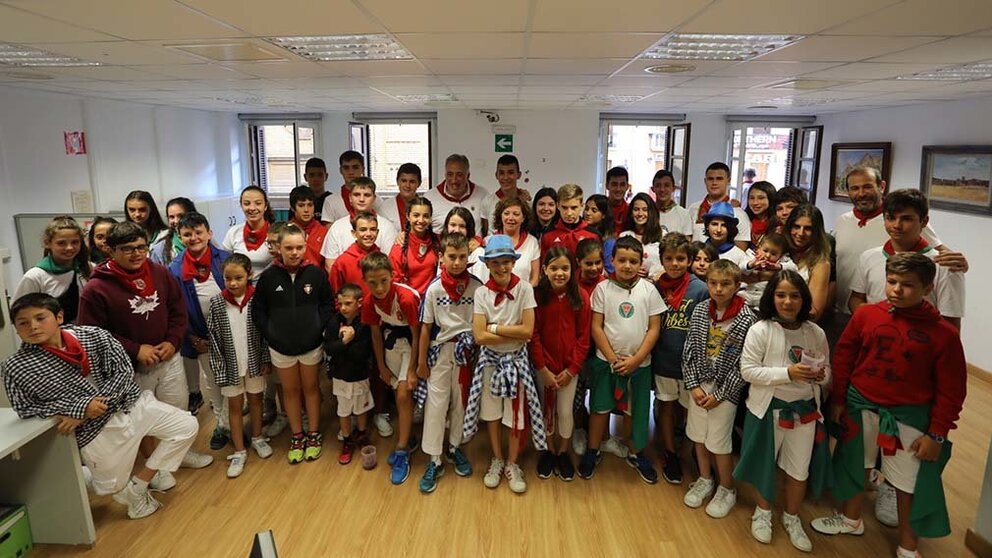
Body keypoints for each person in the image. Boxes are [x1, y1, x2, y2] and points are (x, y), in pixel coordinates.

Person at [811, 254, 967, 558]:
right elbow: (844, 357)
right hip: (860, 404)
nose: (896, 289)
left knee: (907, 483)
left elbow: (952, 390)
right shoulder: (866, 315)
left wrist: (937, 434)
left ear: (927, 287)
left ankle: (908, 546)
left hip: (908, 416)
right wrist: (839, 399)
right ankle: (850, 519)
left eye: (907, 285)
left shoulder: (943, 334)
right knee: (855, 464)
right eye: (892, 281)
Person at [3, 293, 198, 520]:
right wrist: (81, 409)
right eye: (23, 323)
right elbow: (25, 408)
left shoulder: (93, 335)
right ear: (16, 329)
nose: (33, 327)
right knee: (110, 487)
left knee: (186, 426)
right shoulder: (15, 368)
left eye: (40, 318)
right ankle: (86, 475)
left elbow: (124, 372)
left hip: (131, 404)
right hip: (94, 430)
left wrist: (94, 405)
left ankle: (138, 487)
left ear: (58, 317)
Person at [77, 221, 213, 482]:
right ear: (111, 250)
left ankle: (178, 455)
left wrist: (173, 341)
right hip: (131, 368)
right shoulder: (96, 289)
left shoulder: (160, 273)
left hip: (168, 358)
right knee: (145, 420)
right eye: (127, 249)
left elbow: (177, 309)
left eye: (141, 247)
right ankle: (155, 470)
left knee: (177, 411)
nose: (136, 254)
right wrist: (135, 349)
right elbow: (92, 335)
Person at [735, 270, 830, 551]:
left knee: (798, 469)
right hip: (767, 411)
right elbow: (748, 371)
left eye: (795, 295)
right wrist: (788, 372)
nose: (788, 302)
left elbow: (828, 374)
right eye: (781, 295)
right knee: (766, 464)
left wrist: (821, 376)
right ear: (771, 297)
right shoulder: (760, 329)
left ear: (804, 298)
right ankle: (763, 512)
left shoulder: (815, 332)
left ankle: (791, 516)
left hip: (804, 413)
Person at [463, 235, 547, 494]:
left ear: (513, 262)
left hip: (516, 362)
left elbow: (528, 331)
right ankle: (497, 459)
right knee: (492, 415)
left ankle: (513, 463)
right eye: (496, 262)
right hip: (489, 363)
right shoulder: (481, 293)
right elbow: (479, 336)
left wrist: (495, 327)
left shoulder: (524, 289)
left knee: (515, 416)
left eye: (507, 261)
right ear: (487, 264)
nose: (502, 267)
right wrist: (511, 331)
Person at [578, 235, 665, 483]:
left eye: (633, 261)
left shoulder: (649, 290)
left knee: (635, 412)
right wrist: (612, 358)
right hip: (606, 363)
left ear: (641, 263)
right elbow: (596, 327)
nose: (627, 266)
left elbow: (654, 329)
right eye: (622, 260)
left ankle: (636, 452)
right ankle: (592, 451)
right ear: (612, 261)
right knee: (598, 408)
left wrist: (636, 359)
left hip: (639, 365)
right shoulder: (602, 289)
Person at [833, 166, 962, 321]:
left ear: (881, 186)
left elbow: (941, 254)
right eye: (855, 188)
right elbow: (854, 296)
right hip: (848, 313)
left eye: (867, 186)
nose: (861, 193)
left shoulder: (907, 220)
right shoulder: (843, 222)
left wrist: (960, 264)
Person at [682, 259, 757, 519]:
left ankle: (727, 487)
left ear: (737, 285)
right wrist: (693, 384)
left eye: (726, 284)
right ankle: (705, 479)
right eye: (713, 283)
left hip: (725, 391)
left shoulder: (747, 318)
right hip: (700, 386)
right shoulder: (702, 310)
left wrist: (721, 394)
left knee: (719, 443)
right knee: (699, 437)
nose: (718, 289)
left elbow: (744, 365)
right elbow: (689, 349)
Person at [252, 223, 333, 464]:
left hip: (311, 344)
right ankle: (297, 435)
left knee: (310, 389)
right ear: (279, 248)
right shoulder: (268, 277)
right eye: (289, 248)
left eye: (299, 247)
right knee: (290, 391)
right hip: (281, 347)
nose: (295, 252)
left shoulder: (316, 274)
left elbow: (327, 304)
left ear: (306, 246)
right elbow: (259, 311)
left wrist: (319, 329)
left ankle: (314, 434)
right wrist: (272, 333)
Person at [416, 233, 482, 493]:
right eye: (451, 257)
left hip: (466, 354)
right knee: (436, 403)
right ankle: (434, 458)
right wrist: (421, 362)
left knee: (461, 402)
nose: (457, 262)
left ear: (469, 257)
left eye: (462, 257)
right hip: (440, 353)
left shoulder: (477, 287)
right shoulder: (434, 288)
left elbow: (481, 324)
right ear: (441, 257)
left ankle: (454, 447)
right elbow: (425, 328)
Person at [168, 212, 232, 451]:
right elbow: (175, 309)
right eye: (187, 234)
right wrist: (190, 336)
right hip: (200, 337)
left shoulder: (225, 259)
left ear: (209, 233)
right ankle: (223, 425)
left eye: (198, 232)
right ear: (179, 237)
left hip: (229, 332)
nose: (194, 237)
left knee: (233, 381)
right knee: (213, 381)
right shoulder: (174, 270)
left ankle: (231, 422)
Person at [206, 254, 273, 478]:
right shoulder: (217, 303)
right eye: (228, 278)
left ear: (249, 276)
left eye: (238, 278)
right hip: (230, 365)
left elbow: (264, 333)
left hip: (253, 361)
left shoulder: (257, 300)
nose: (233, 283)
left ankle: (257, 437)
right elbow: (214, 338)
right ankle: (238, 450)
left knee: (256, 400)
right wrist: (220, 368)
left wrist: (264, 358)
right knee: (234, 406)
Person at [361, 252, 422, 485]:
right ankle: (410, 438)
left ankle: (402, 448)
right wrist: (381, 367)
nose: (378, 288)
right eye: (372, 283)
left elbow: (418, 334)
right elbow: (375, 333)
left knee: (403, 395)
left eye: (383, 281)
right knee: (399, 395)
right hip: (391, 346)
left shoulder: (405, 298)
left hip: (412, 344)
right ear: (365, 281)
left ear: (392, 276)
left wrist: (413, 369)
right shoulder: (369, 302)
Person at [530, 246, 591, 482]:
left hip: (568, 370)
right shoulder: (538, 297)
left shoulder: (581, 297)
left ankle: (562, 452)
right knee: (545, 410)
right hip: (543, 368)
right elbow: (533, 335)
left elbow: (583, 338)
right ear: (544, 269)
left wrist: (572, 369)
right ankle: (547, 450)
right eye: (553, 268)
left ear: (573, 269)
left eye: (565, 268)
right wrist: (542, 368)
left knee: (565, 412)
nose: (559, 273)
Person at [652, 233, 709, 485]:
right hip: (663, 360)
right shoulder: (655, 288)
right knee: (665, 405)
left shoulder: (701, 289)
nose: (675, 264)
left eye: (681, 259)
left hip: (691, 365)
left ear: (689, 261)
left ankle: (692, 451)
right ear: (662, 260)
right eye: (669, 259)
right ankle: (670, 452)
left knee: (690, 411)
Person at [324, 284, 374, 466]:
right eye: (340, 304)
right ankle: (347, 439)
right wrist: (345, 341)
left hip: (360, 374)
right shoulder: (333, 322)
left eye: (348, 303)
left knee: (361, 408)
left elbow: (362, 352)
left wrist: (346, 345)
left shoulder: (365, 323)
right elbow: (329, 348)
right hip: (340, 375)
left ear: (359, 303)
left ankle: (361, 434)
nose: (343, 308)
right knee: (343, 410)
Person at [14, 215, 92, 324]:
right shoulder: (35, 276)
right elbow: (18, 313)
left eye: (75, 242)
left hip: (85, 335)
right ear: (47, 243)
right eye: (61, 243)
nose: (69, 247)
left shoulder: (89, 269)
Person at [321, 177, 398, 271]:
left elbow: (390, 263)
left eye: (367, 195)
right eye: (357, 195)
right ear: (350, 198)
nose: (361, 199)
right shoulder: (337, 227)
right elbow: (330, 264)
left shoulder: (387, 227)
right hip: (346, 284)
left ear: (374, 199)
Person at [474, 197, 540, 285]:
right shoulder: (488, 241)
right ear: (500, 216)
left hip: (522, 296)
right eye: (506, 213)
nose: (511, 218)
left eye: (516, 214)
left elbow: (534, 279)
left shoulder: (532, 242)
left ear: (523, 218)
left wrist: (523, 293)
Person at [784, 204, 832, 322]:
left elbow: (814, 312)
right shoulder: (779, 250)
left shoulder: (820, 263)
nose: (801, 233)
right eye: (796, 226)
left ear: (817, 232)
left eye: (808, 228)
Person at [688, 162, 751, 250]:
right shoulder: (693, 209)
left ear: (728, 181)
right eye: (710, 179)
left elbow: (740, 250)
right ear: (705, 181)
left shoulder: (738, 213)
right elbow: (688, 242)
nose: (714, 183)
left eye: (719, 179)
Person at [222, 186, 276, 280]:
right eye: (247, 204)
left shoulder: (275, 234)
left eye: (258, 203)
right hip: (240, 288)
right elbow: (226, 263)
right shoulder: (233, 233)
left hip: (269, 285)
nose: (252, 208)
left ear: (265, 206)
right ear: (241, 206)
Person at [425, 154, 488, 234]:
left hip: (474, 246)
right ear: (445, 175)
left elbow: (487, 231)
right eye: (450, 174)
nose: (454, 180)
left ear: (468, 176)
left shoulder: (482, 195)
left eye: (459, 175)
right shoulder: (429, 198)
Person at [389, 196, 440, 295]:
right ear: (408, 216)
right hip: (408, 301)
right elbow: (395, 281)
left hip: (432, 300)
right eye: (416, 215)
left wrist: (478, 240)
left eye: (425, 216)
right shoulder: (400, 245)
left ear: (430, 218)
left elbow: (459, 242)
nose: (421, 220)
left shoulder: (438, 241)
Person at [329, 211, 382, 296]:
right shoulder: (342, 262)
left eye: (372, 229)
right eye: (363, 230)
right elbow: (334, 295)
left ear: (377, 232)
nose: (368, 234)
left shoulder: (383, 259)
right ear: (354, 233)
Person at [540, 184, 598, 257]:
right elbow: (544, 266)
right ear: (558, 206)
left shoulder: (593, 235)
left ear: (582, 206)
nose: (569, 213)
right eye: (564, 207)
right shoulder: (547, 235)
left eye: (574, 208)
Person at [481, 154, 531, 236]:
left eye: (510, 172)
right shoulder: (487, 201)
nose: (506, 177)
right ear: (496, 175)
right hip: (494, 247)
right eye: (501, 173)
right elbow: (485, 231)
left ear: (519, 175)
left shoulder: (527, 202)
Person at [620, 192, 665, 280]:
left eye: (645, 210)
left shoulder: (662, 235)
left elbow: (669, 263)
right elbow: (619, 263)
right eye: (636, 209)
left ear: (651, 212)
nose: (640, 214)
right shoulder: (624, 236)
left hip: (658, 285)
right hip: (631, 284)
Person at [742, 232, 794, 308]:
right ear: (759, 247)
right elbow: (741, 269)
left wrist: (779, 266)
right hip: (748, 291)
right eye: (765, 251)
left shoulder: (782, 260)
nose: (768, 255)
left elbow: (794, 268)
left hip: (765, 295)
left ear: (781, 254)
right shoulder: (751, 255)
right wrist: (751, 264)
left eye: (773, 254)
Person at [320, 151, 373, 224]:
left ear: (363, 169)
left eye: (355, 167)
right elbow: (329, 233)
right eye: (346, 168)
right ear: (341, 170)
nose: (351, 172)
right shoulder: (331, 201)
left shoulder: (375, 201)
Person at [287, 186, 328, 269]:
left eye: (310, 205)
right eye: (301, 205)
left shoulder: (324, 232)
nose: (306, 210)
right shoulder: (285, 231)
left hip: (317, 278)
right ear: (292, 208)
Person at [150, 197, 197, 266]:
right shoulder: (159, 249)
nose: (176, 221)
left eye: (181, 216)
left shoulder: (204, 239)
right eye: (171, 217)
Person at [702, 201, 749, 269]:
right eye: (714, 224)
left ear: (730, 228)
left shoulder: (739, 255)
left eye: (724, 225)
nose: (718, 230)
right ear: (707, 226)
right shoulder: (699, 251)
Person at [444, 207, 486, 280]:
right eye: (453, 225)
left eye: (462, 226)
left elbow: (480, 284)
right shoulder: (443, 248)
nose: (457, 230)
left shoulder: (478, 253)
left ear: (469, 229)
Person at [379, 163, 423, 230]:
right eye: (404, 181)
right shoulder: (385, 207)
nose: (407, 185)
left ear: (419, 183)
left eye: (412, 182)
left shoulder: (426, 207)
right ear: (397, 181)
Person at [652, 169, 693, 237]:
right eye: (658, 185)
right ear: (653, 188)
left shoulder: (684, 214)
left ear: (673, 188)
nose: (662, 189)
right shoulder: (647, 213)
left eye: (666, 185)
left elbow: (687, 243)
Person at [585, 193, 618, 274]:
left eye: (594, 210)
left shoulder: (609, 241)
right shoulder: (581, 233)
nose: (588, 213)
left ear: (603, 215)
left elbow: (609, 271)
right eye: (586, 209)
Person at [744, 181, 776, 250]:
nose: (755, 202)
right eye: (752, 198)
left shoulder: (777, 224)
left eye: (761, 198)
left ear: (771, 199)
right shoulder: (744, 219)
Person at [303, 157, 332, 222]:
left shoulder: (332, 200)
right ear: (305, 177)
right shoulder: (299, 201)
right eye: (312, 175)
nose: (316, 179)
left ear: (326, 176)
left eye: (320, 175)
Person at [605, 167, 631, 235]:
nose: (618, 189)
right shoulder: (599, 209)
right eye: (614, 184)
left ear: (627, 187)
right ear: (607, 186)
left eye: (622, 185)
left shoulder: (631, 211)